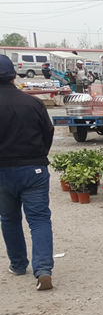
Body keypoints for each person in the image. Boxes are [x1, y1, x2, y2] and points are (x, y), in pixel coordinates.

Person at [0, 55, 55, 290]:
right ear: (14, 75)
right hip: (34, 168)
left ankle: (18, 264)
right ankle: (43, 269)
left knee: (9, 218)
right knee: (39, 219)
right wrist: (39, 155)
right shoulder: (33, 103)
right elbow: (48, 132)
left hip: (2, 170)